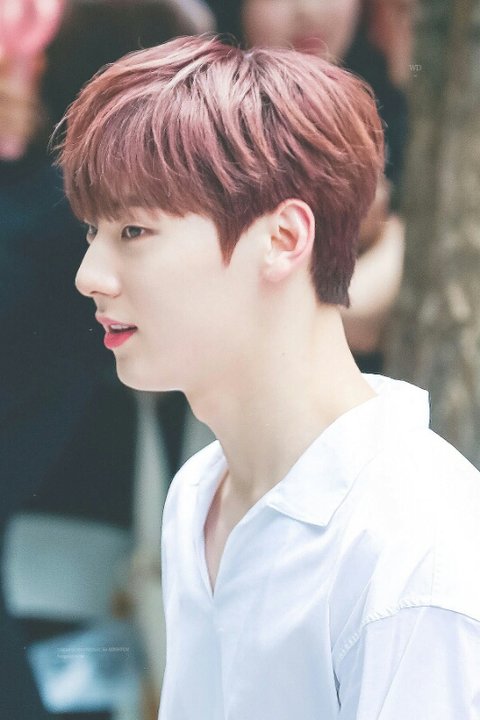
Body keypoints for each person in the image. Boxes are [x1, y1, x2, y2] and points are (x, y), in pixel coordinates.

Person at [57, 36, 480, 719]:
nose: (89, 276)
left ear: (283, 239)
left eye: (133, 231)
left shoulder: (415, 547)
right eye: (91, 233)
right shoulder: (200, 493)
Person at [206, 0, 413, 372]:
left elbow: (361, 314)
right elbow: (355, 315)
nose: (308, 10)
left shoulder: (394, 115)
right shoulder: (204, 129)